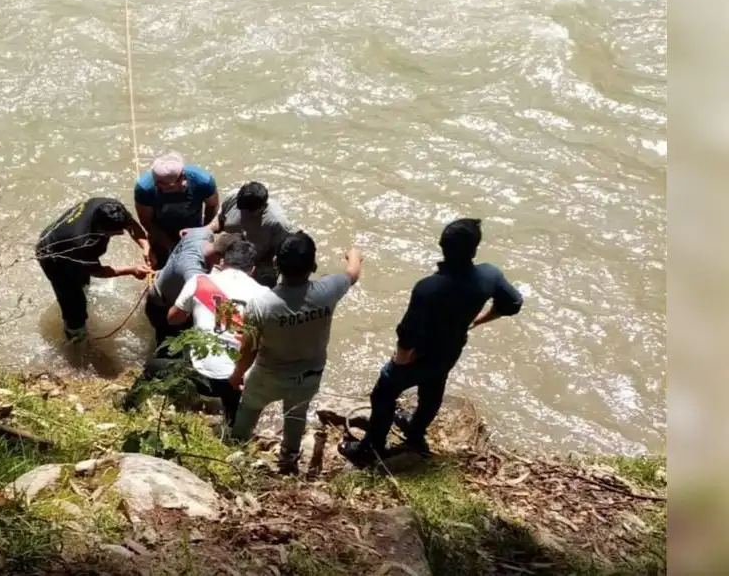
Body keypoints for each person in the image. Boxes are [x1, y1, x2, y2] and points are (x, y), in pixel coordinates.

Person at [338, 218, 524, 465]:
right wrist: (478, 320)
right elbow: (513, 303)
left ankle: (371, 449)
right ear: (474, 249)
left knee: (383, 394)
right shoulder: (489, 275)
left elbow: (408, 331)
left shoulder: (428, 288)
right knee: (433, 390)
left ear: (442, 246)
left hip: (419, 355)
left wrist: (401, 359)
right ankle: (415, 432)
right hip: (450, 349)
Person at [228, 232, 364, 474]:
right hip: (309, 374)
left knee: (248, 409)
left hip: (268, 375)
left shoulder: (261, 305)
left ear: (275, 263)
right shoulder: (328, 290)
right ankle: (289, 456)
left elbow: (249, 348)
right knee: (296, 414)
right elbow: (352, 274)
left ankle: (235, 448)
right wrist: (354, 255)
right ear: (313, 265)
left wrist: (237, 373)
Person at [122, 238, 268, 428]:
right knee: (242, 372)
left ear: (222, 261)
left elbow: (173, 319)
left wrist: (199, 310)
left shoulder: (200, 281)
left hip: (199, 379)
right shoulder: (264, 294)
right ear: (252, 270)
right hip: (237, 382)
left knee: (152, 367)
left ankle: (127, 406)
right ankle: (232, 427)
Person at [35, 198, 151, 343]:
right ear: (100, 229)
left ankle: (82, 290)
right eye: (115, 232)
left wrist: (146, 247)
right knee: (73, 301)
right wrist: (132, 270)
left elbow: (132, 227)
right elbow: (97, 271)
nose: (121, 233)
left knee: (83, 282)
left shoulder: (113, 208)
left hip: (69, 240)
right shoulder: (81, 243)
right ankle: (76, 336)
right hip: (53, 256)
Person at [144, 228, 240, 357]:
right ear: (221, 260)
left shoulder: (202, 234)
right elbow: (213, 304)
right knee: (169, 350)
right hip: (161, 307)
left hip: (160, 286)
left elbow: (184, 232)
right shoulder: (193, 273)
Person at [134, 151, 220, 268]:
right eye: (157, 182)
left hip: (193, 227)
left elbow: (212, 206)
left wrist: (203, 233)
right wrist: (168, 244)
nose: (158, 186)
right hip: (160, 231)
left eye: (164, 185)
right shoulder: (145, 188)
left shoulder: (202, 181)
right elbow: (146, 222)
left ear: (182, 176)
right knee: (160, 264)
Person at [205, 181, 297, 288]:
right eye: (241, 210)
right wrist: (205, 230)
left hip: (260, 260)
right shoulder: (233, 197)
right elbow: (219, 220)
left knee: (263, 284)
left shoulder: (278, 222)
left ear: (262, 207)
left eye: (248, 212)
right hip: (230, 249)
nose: (243, 214)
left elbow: (287, 251)